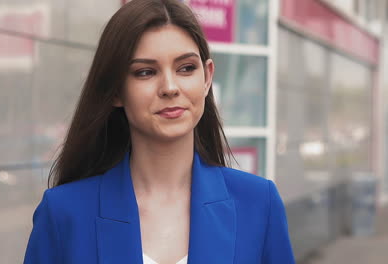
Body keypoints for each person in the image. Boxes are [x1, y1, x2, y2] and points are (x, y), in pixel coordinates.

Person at [24, 0, 295, 263]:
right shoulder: (63, 213)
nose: (170, 87)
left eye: (186, 68)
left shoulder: (259, 204)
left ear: (207, 77)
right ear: (116, 90)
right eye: (145, 72)